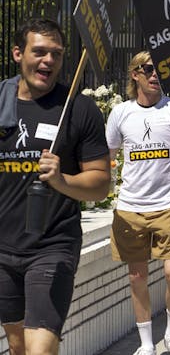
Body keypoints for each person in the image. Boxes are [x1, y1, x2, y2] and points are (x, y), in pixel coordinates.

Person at [0, 18, 110, 355]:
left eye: (57, 54)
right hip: (3, 249)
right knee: (18, 346)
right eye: (40, 52)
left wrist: (62, 180)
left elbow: (101, 184)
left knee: (40, 350)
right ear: (18, 54)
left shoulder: (79, 108)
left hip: (53, 246)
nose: (49, 60)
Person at [106, 51, 170, 355]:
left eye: (160, 70)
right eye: (149, 69)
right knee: (137, 277)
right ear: (134, 74)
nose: (156, 75)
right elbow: (107, 156)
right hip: (130, 207)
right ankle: (147, 343)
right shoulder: (120, 113)